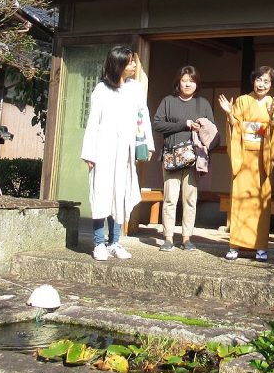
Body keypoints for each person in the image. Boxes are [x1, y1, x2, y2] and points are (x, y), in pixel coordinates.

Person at [80, 45, 152, 261]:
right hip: (103, 149)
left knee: (120, 195)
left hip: (125, 151)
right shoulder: (101, 90)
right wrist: (89, 153)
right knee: (102, 195)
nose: (134, 65)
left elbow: (143, 117)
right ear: (118, 65)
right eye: (130, 62)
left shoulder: (136, 88)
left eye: (134, 61)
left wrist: (146, 145)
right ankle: (98, 243)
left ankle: (115, 242)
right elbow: (93, 122)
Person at [217, 66, 274, 262]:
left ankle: (260, 246)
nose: (261, 84)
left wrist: (271, 122)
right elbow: (235, 126)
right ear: (253, 81)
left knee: (260, 204)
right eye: (258, 80)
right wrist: (229, 114)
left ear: (271, 85)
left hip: (262, 161)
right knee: (239, 201)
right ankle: (234, 245)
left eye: (266, 81)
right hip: (243, 158)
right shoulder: (242, 101)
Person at [152, 65, 217, 252]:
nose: (188, 84)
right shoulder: (168, 101)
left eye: (192, 81)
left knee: (190, 199)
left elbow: (212, 132)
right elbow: (157, 124)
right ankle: (168, 238)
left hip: (193, 158)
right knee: (170, 199)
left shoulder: (203, 104)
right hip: (171, 157)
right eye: (184, 80)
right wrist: (184, 124)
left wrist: (201, 129)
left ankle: (187, 238)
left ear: (197, 84)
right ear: (178, 82)